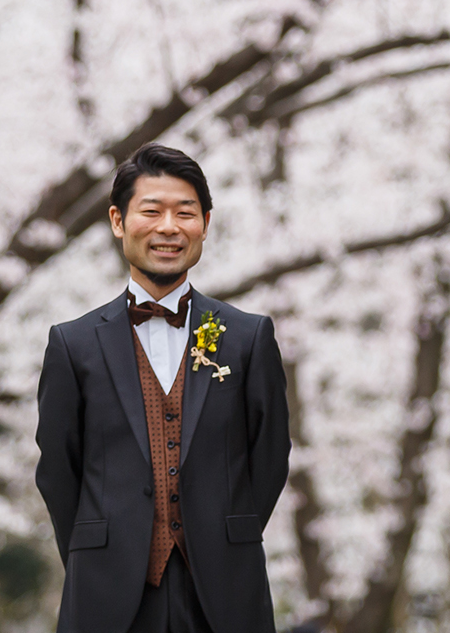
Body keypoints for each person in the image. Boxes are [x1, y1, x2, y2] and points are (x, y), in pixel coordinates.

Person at [37, 144, 291, 633]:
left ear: (206, 224)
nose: (169, 228)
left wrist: (225, 535)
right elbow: (57, 471)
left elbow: (271, 455)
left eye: (185, 213)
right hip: (107, 596)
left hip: (224, 593)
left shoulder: (247, 337)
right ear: (118, 221)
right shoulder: (72, 345)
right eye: (151, 211)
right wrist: (102, 552)